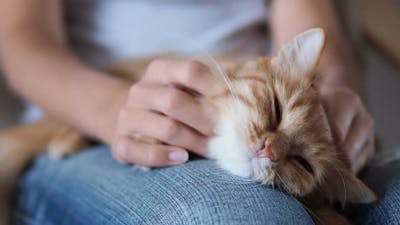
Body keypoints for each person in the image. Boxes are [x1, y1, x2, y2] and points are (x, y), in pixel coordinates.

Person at [0, 0, 396, 224]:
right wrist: (115, 109)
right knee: (240, 218)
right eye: (275, 114)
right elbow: (22, 39)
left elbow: (313, 27)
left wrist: (336, 89)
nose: (271, 149)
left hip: (251, 78)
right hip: (87, 115)